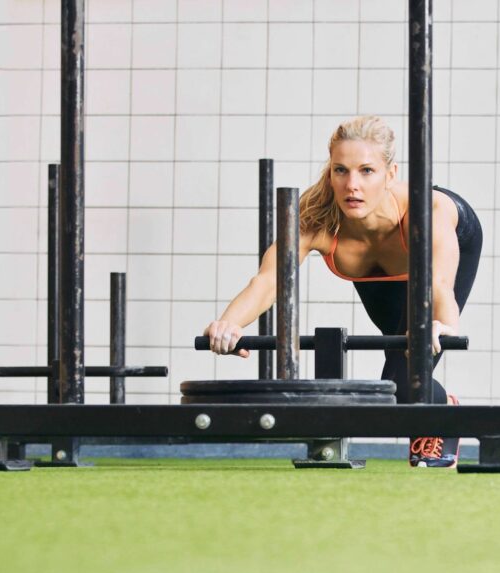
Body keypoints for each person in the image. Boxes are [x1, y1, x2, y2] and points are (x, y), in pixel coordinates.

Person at [204, 115, 482, 468]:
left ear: (390, 174)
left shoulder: (426, 211)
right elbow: (268, 281)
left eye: (367, 171)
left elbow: (438, 283)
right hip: (380, 279)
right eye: (341, 170)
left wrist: (443, 323)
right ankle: (435, 404)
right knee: (400, 379)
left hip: (446, 250)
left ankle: (439, 424)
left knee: (402, 378)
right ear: (331, 171)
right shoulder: (316, 216)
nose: (352, 185)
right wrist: (229, 324)